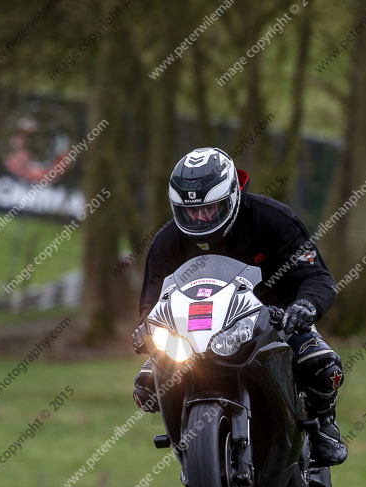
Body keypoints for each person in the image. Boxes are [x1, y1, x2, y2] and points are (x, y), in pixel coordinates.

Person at [132, 147, 347, 467]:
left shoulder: (274, 219)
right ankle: (188, 446)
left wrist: (305, 307)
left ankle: (323, 426)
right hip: (195, 331)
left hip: (277, 320)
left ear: (232, 195)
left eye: (211, 208)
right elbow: (152, 301)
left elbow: (317, 276)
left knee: (320, 362)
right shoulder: (167, 241)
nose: (200, 218)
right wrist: (148, 328)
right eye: (191, 212)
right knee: (147, 384)